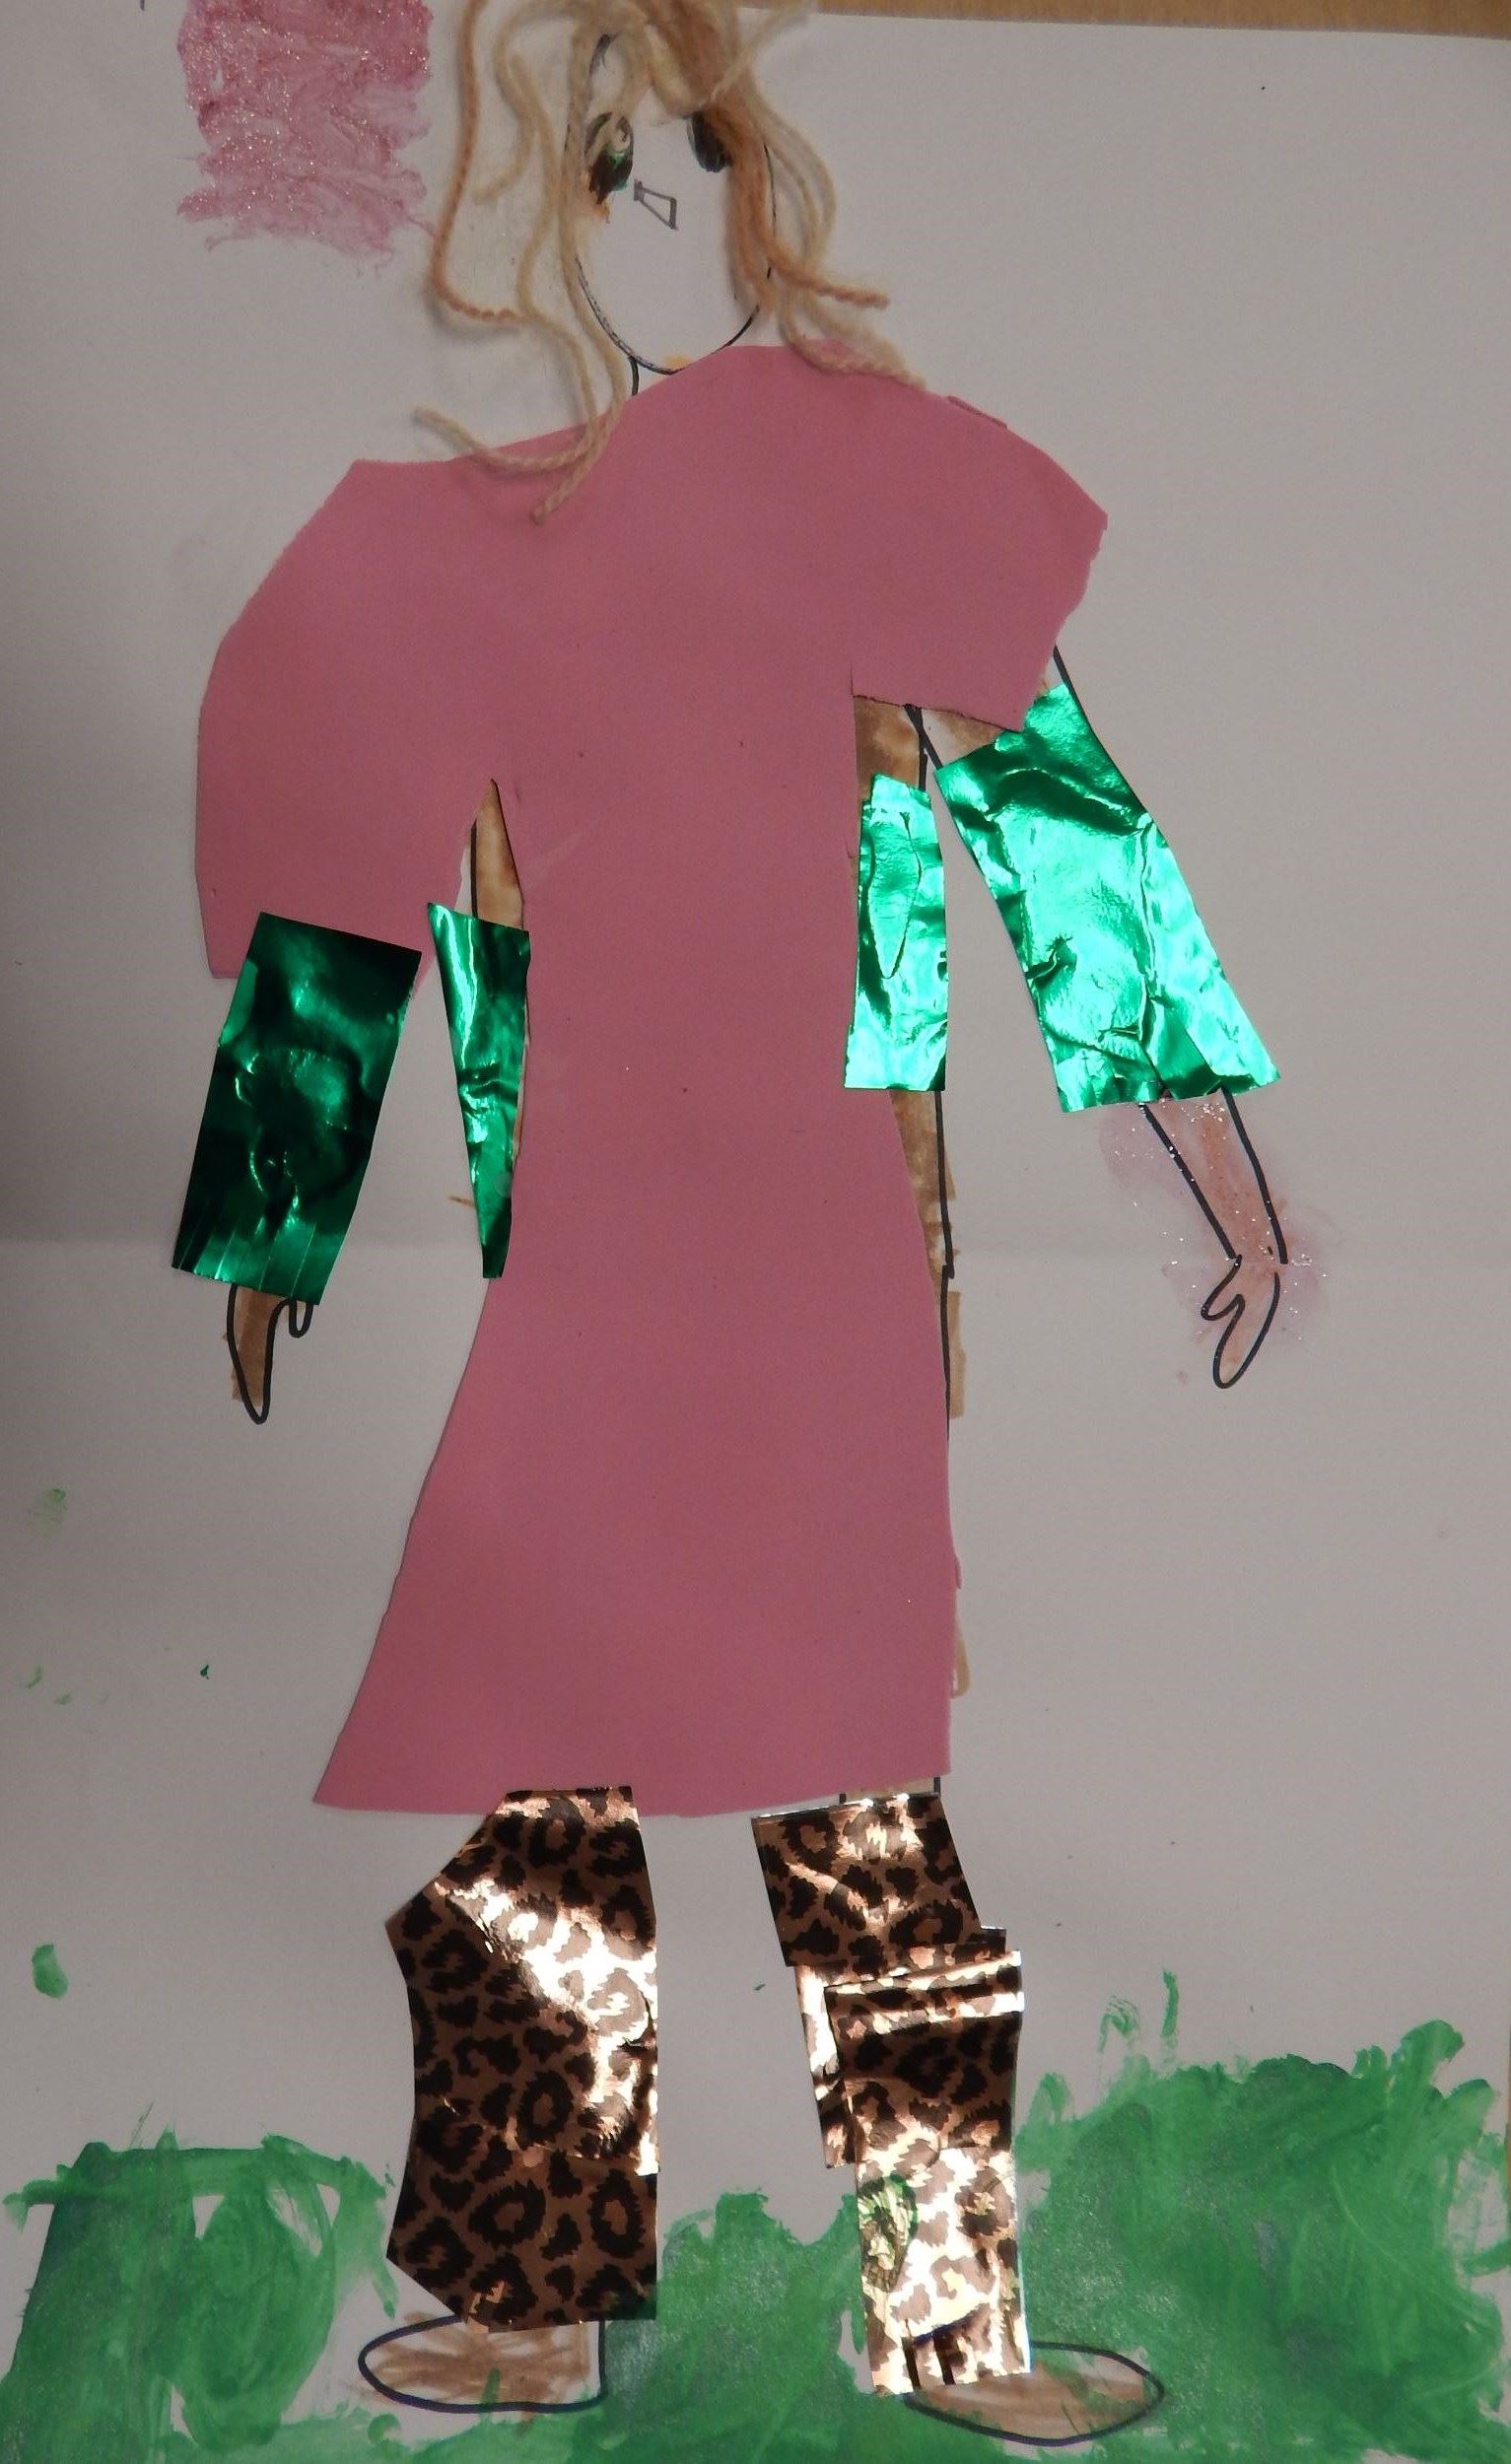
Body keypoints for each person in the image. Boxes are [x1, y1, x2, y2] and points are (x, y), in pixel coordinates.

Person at [175, 0, 1285, 2436]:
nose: (655, 197)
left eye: (686, 142)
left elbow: (1064, 832)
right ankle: (530, 2284)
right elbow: (344, 881)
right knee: (541, 1777)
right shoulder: (458, 539)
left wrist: (1215, 1165)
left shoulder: (873, 479)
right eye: (597, 161)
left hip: (818, 1268)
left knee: (857, 1784)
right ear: (536, 216)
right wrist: (271, 1217)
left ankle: (953, 2317)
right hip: (577, 1264)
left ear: (755, 181)